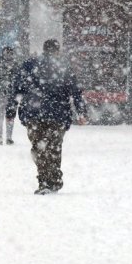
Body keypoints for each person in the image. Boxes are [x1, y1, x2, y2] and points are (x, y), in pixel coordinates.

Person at [8, 39, 87, 195]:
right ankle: (54, 178)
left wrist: (11, 110)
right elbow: (75, 91)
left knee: (39, 147)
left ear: (44, 49)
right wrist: (81, 112)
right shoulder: (64, 67)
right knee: (54, 147)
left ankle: (44, 180)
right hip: (58, 114)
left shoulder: (29, 65)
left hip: (33, 113)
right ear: (57, 51)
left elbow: (17, 89)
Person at [0, 46, 18, 145]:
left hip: (0, 94)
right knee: (9, 116)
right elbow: (19, 80)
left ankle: (0, 137)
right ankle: (8, 137)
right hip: (10, 95)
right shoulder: (15, 65)